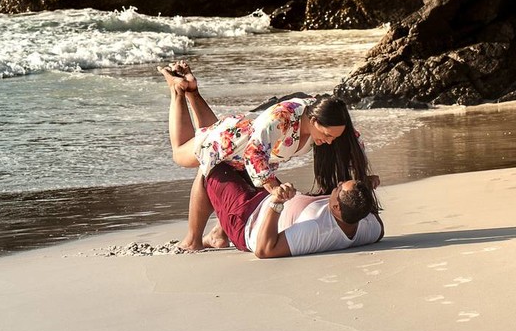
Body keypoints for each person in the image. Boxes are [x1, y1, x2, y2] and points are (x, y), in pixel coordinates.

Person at [161, 61, 379, 252]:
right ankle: (177, 90)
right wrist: (276, 191)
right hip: (229, 142)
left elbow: (353, 143)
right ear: (314, 122)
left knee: (208, 135)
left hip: (247, 152)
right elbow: (253, 154)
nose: (330, 141)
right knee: (184, 155)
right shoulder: (281, 117)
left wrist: (363, 182)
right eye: (327, 135)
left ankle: (192, 90)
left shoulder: (327, 116)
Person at [205, 164, 383, 258]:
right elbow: (377, 225)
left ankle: (195, 240)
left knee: (212, 164)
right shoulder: (370, 228)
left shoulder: (315, 229)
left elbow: (264, 250)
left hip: (247, 220)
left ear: (337, 207)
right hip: (266, 199)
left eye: (338, 188)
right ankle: (219, 232)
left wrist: (277, 202)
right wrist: (365, 189)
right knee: (238, 156)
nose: (338, 184)